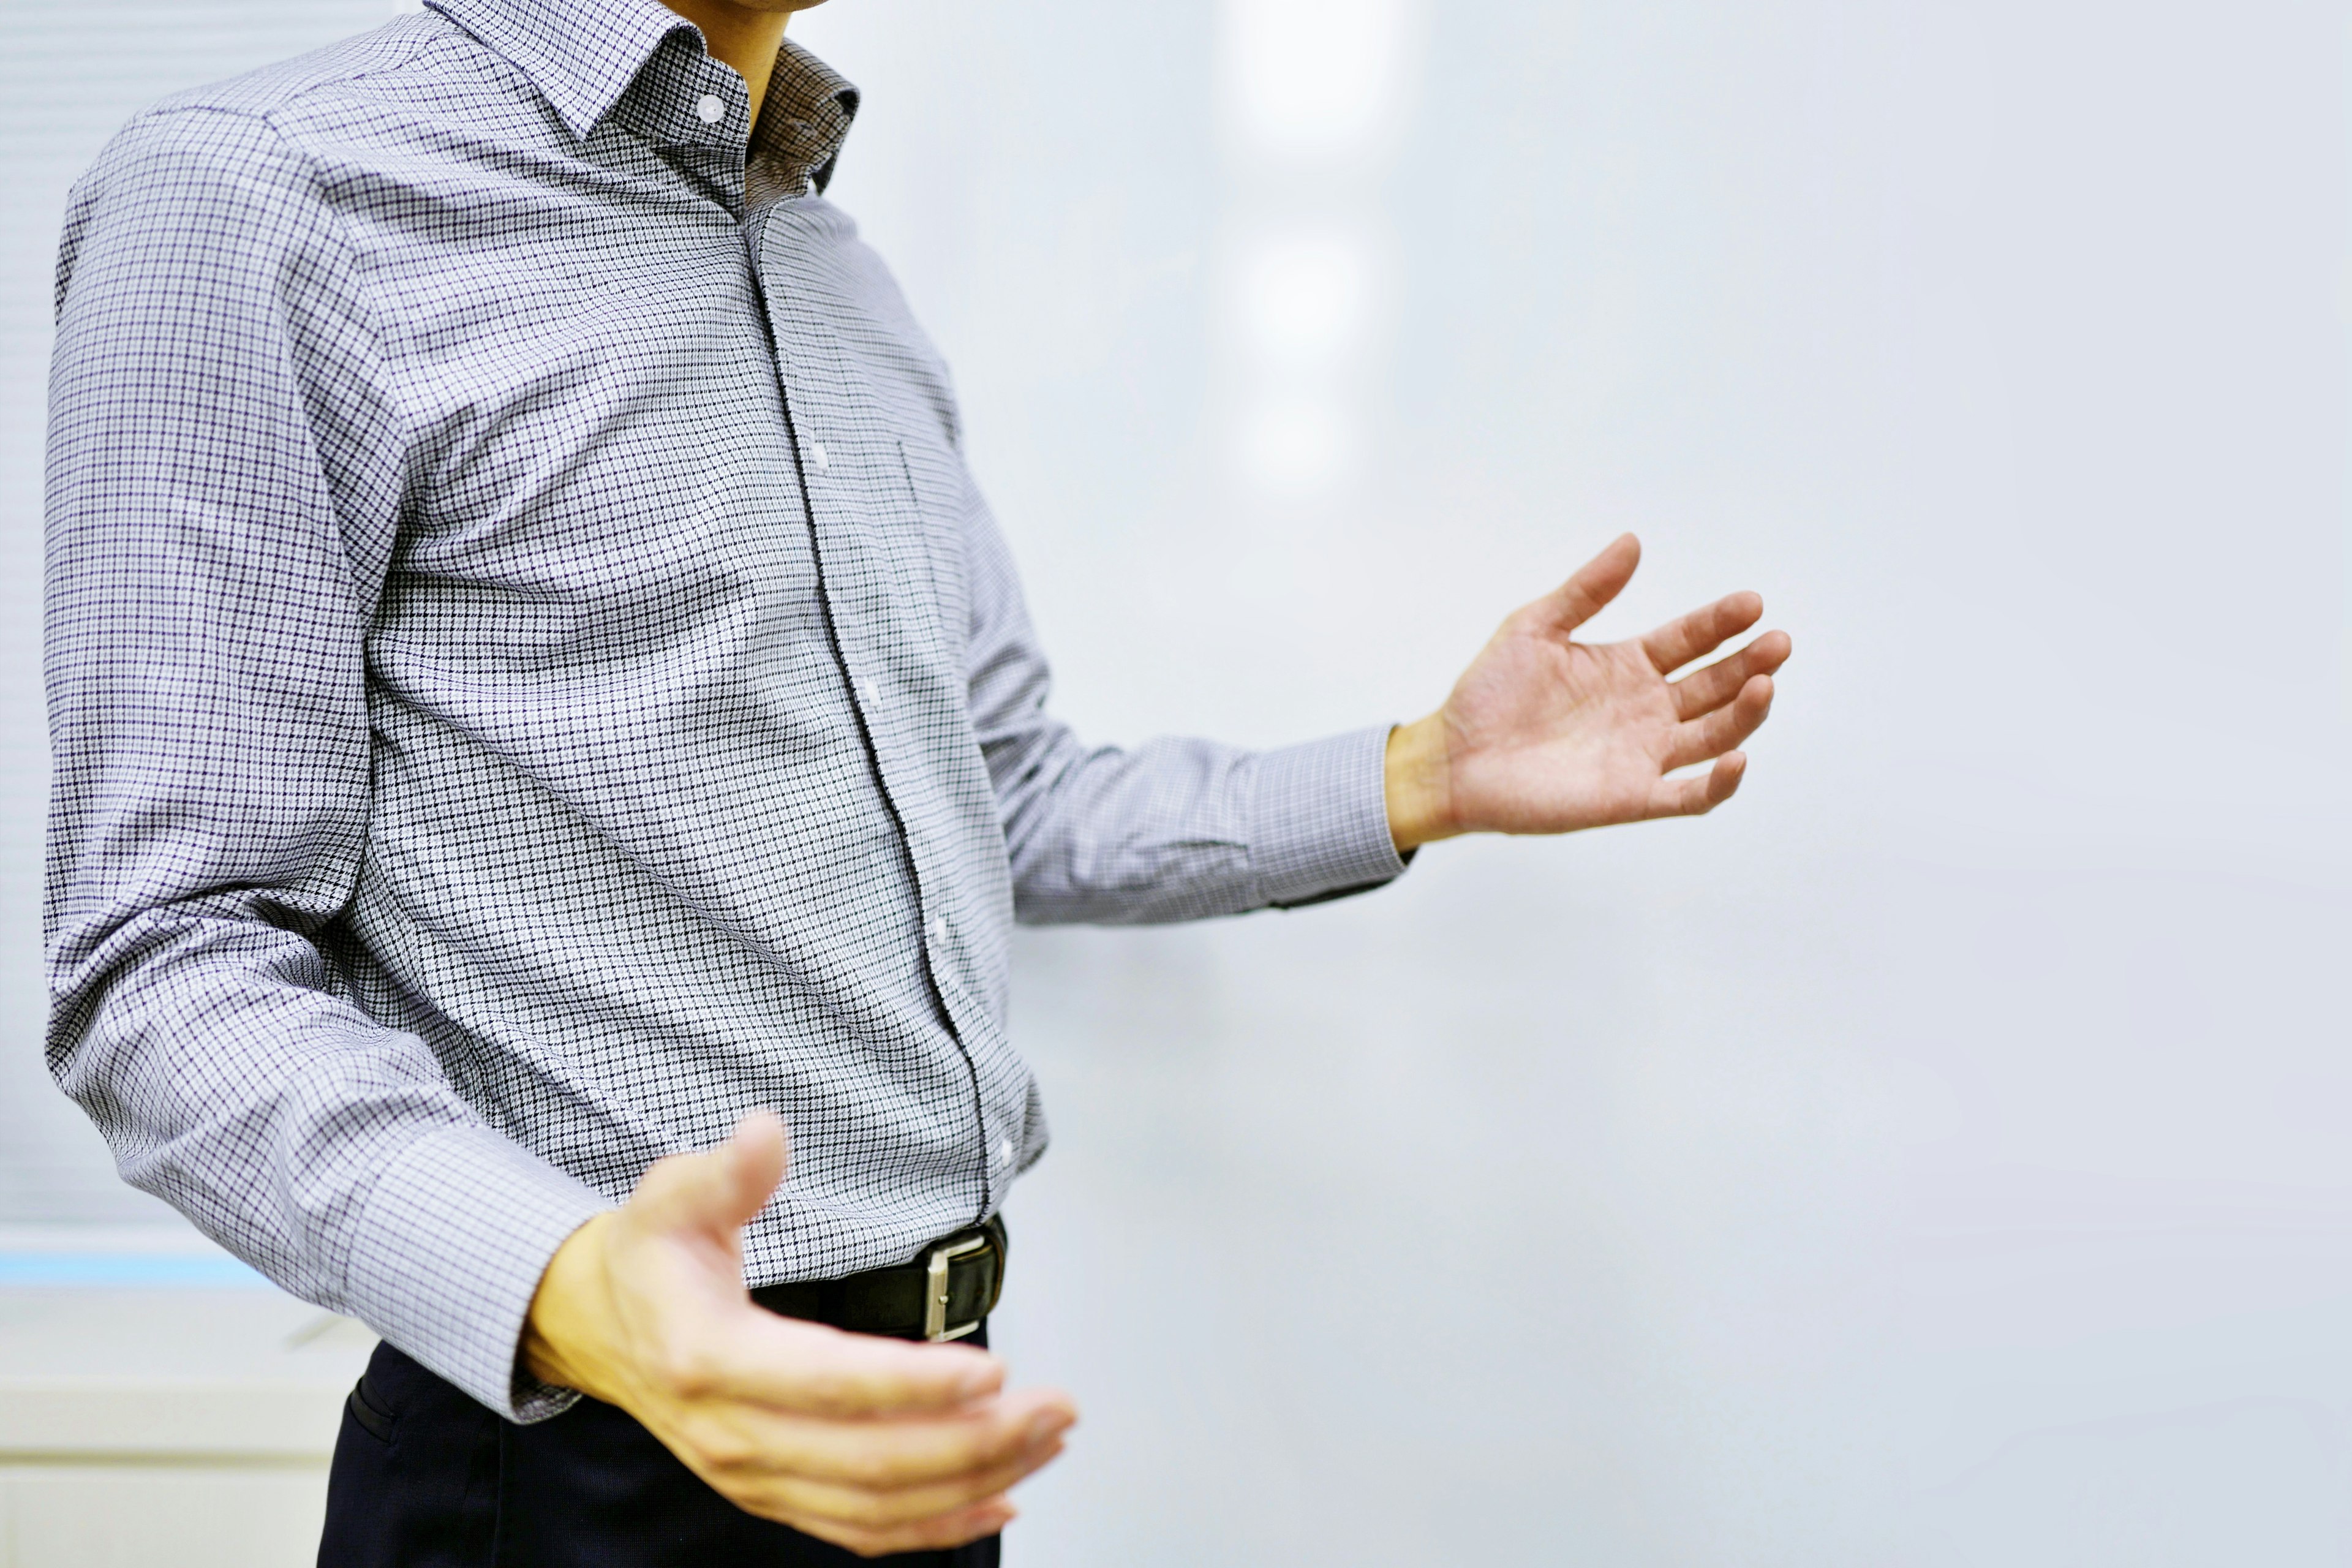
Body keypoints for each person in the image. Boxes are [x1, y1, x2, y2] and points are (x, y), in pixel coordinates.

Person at [41, 0, 1790, 1561]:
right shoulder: (259, 198)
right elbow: (167, 963)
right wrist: (586, 1302)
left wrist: (1422, 771)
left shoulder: (839, 281)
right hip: (579, 1468)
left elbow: (1007, 793)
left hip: (921, 1439)